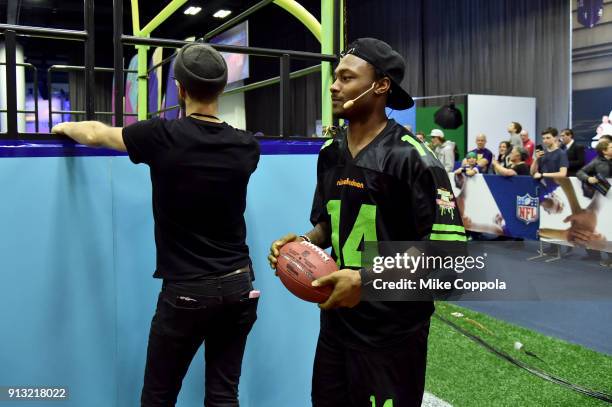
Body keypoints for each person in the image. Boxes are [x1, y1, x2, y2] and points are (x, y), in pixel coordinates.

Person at [52, 43, 260, 407]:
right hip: (239, 285)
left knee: (159, 396)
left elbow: (98, 134)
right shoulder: (246, 147)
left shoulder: (161, 137)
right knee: (223, 394)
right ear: (222, 88)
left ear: (178, 88)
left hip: (187, 292)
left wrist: (64, 124)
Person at [268, 38, 465, 407]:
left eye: (346, 78)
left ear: (381, 85)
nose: (333, 86)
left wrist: (365, 279)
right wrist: (302, 244)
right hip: (338, 324)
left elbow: (448, 253)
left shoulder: (413, 158)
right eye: (334, 78)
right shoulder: (331, 153)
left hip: (393, 331)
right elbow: (331, 223)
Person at [576, 139, 612, 266]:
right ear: (604, 151)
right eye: (611, 147)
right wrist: (588, 178)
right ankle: (595, 254)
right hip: (602, 199)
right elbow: (580, 172)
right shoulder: (596, 162)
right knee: (600, 226)